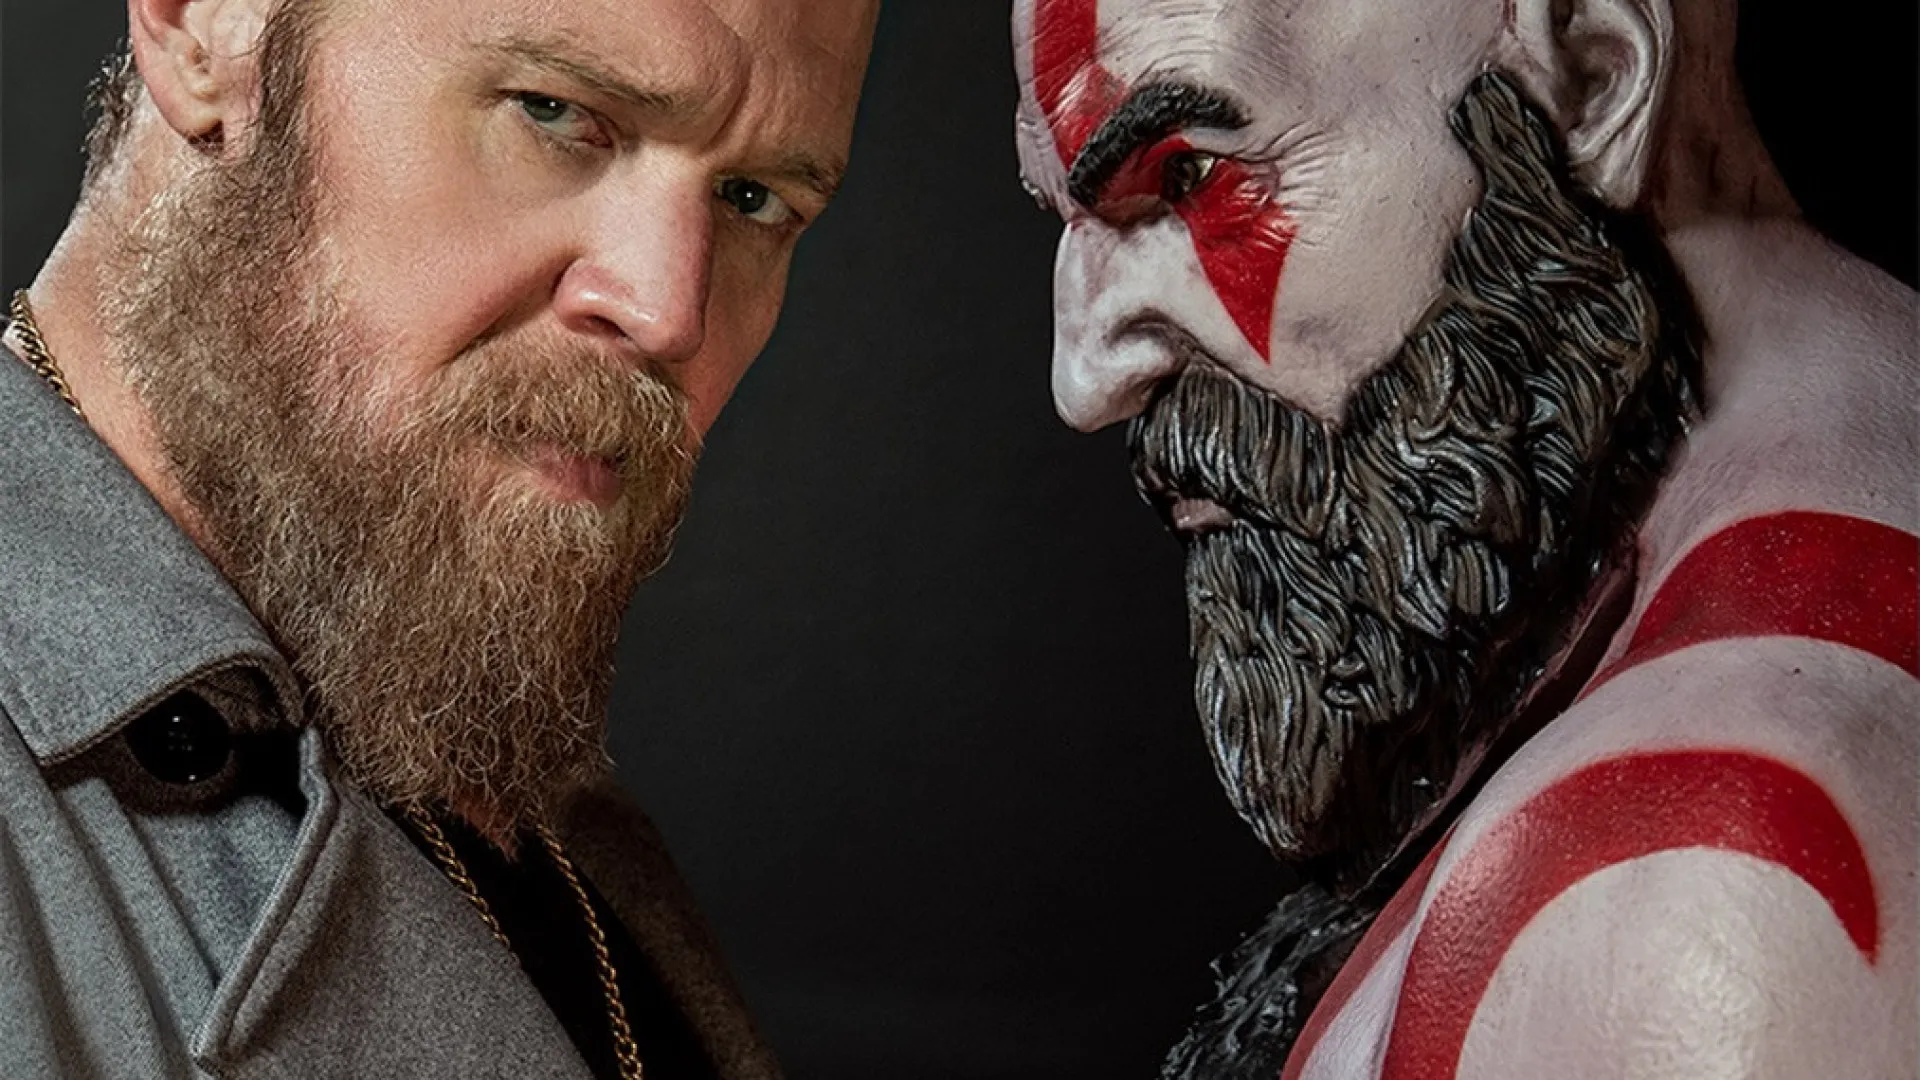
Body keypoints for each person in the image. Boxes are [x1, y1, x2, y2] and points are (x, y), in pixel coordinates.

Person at [1011, 0, 1915, 1076]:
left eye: (1188, 174)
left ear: (1595, 77)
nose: (1084, 379)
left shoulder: (1693, 902)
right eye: (1064, 217)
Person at [0, 0, 876, 1076]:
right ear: (204, 27)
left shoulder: (516, 793)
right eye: (553, 111)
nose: (668, 312)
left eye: (753, 198)